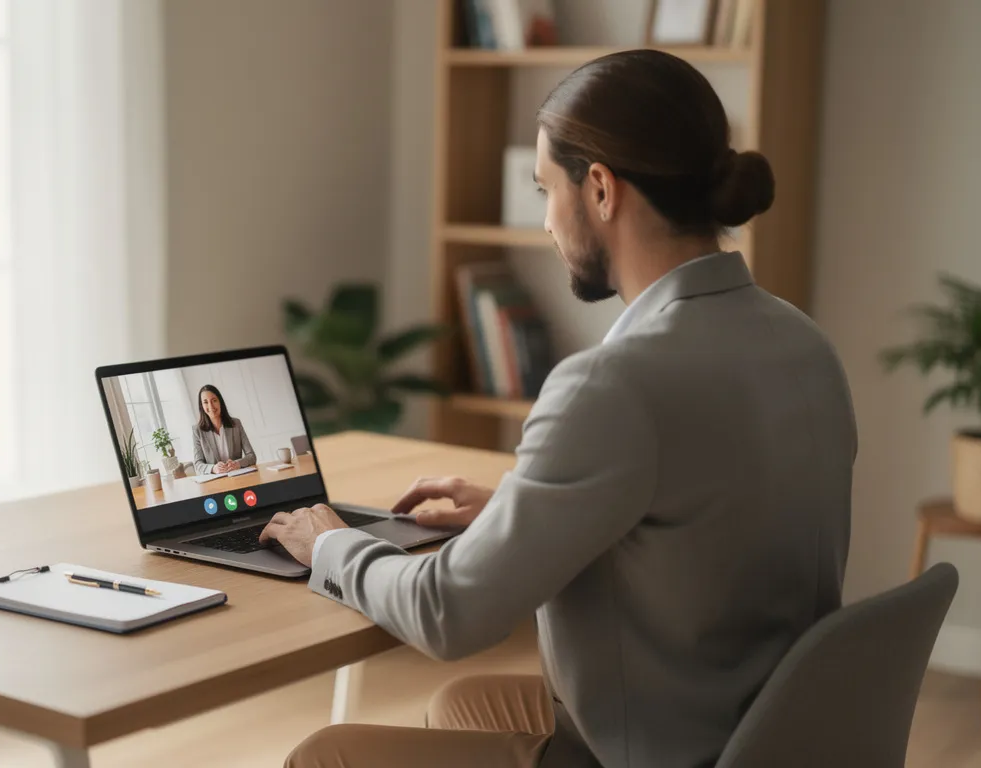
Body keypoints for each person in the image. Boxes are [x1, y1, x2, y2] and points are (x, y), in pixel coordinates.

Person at [262, 49, 855, 768]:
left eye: (547, 189)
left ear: (600, 189)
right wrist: (519, 513)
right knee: (463, 707)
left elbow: (446, 613)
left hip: (665, 752)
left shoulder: (612, 384)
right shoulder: (804, 343)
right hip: (766, 731)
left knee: (326, 756)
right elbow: (706, 522)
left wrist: (328, 541)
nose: (545, 221)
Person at [191, 384, 256, 476]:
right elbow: (198, 464)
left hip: (237, 478)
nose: (211, 406)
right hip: (215, 483)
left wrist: (238, 463)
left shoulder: (236, 424)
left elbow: (252, 456)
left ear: (220, 402)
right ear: (201, 406)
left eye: (214, 400)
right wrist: (213, 468)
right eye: (205, 402)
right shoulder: (197, 430)